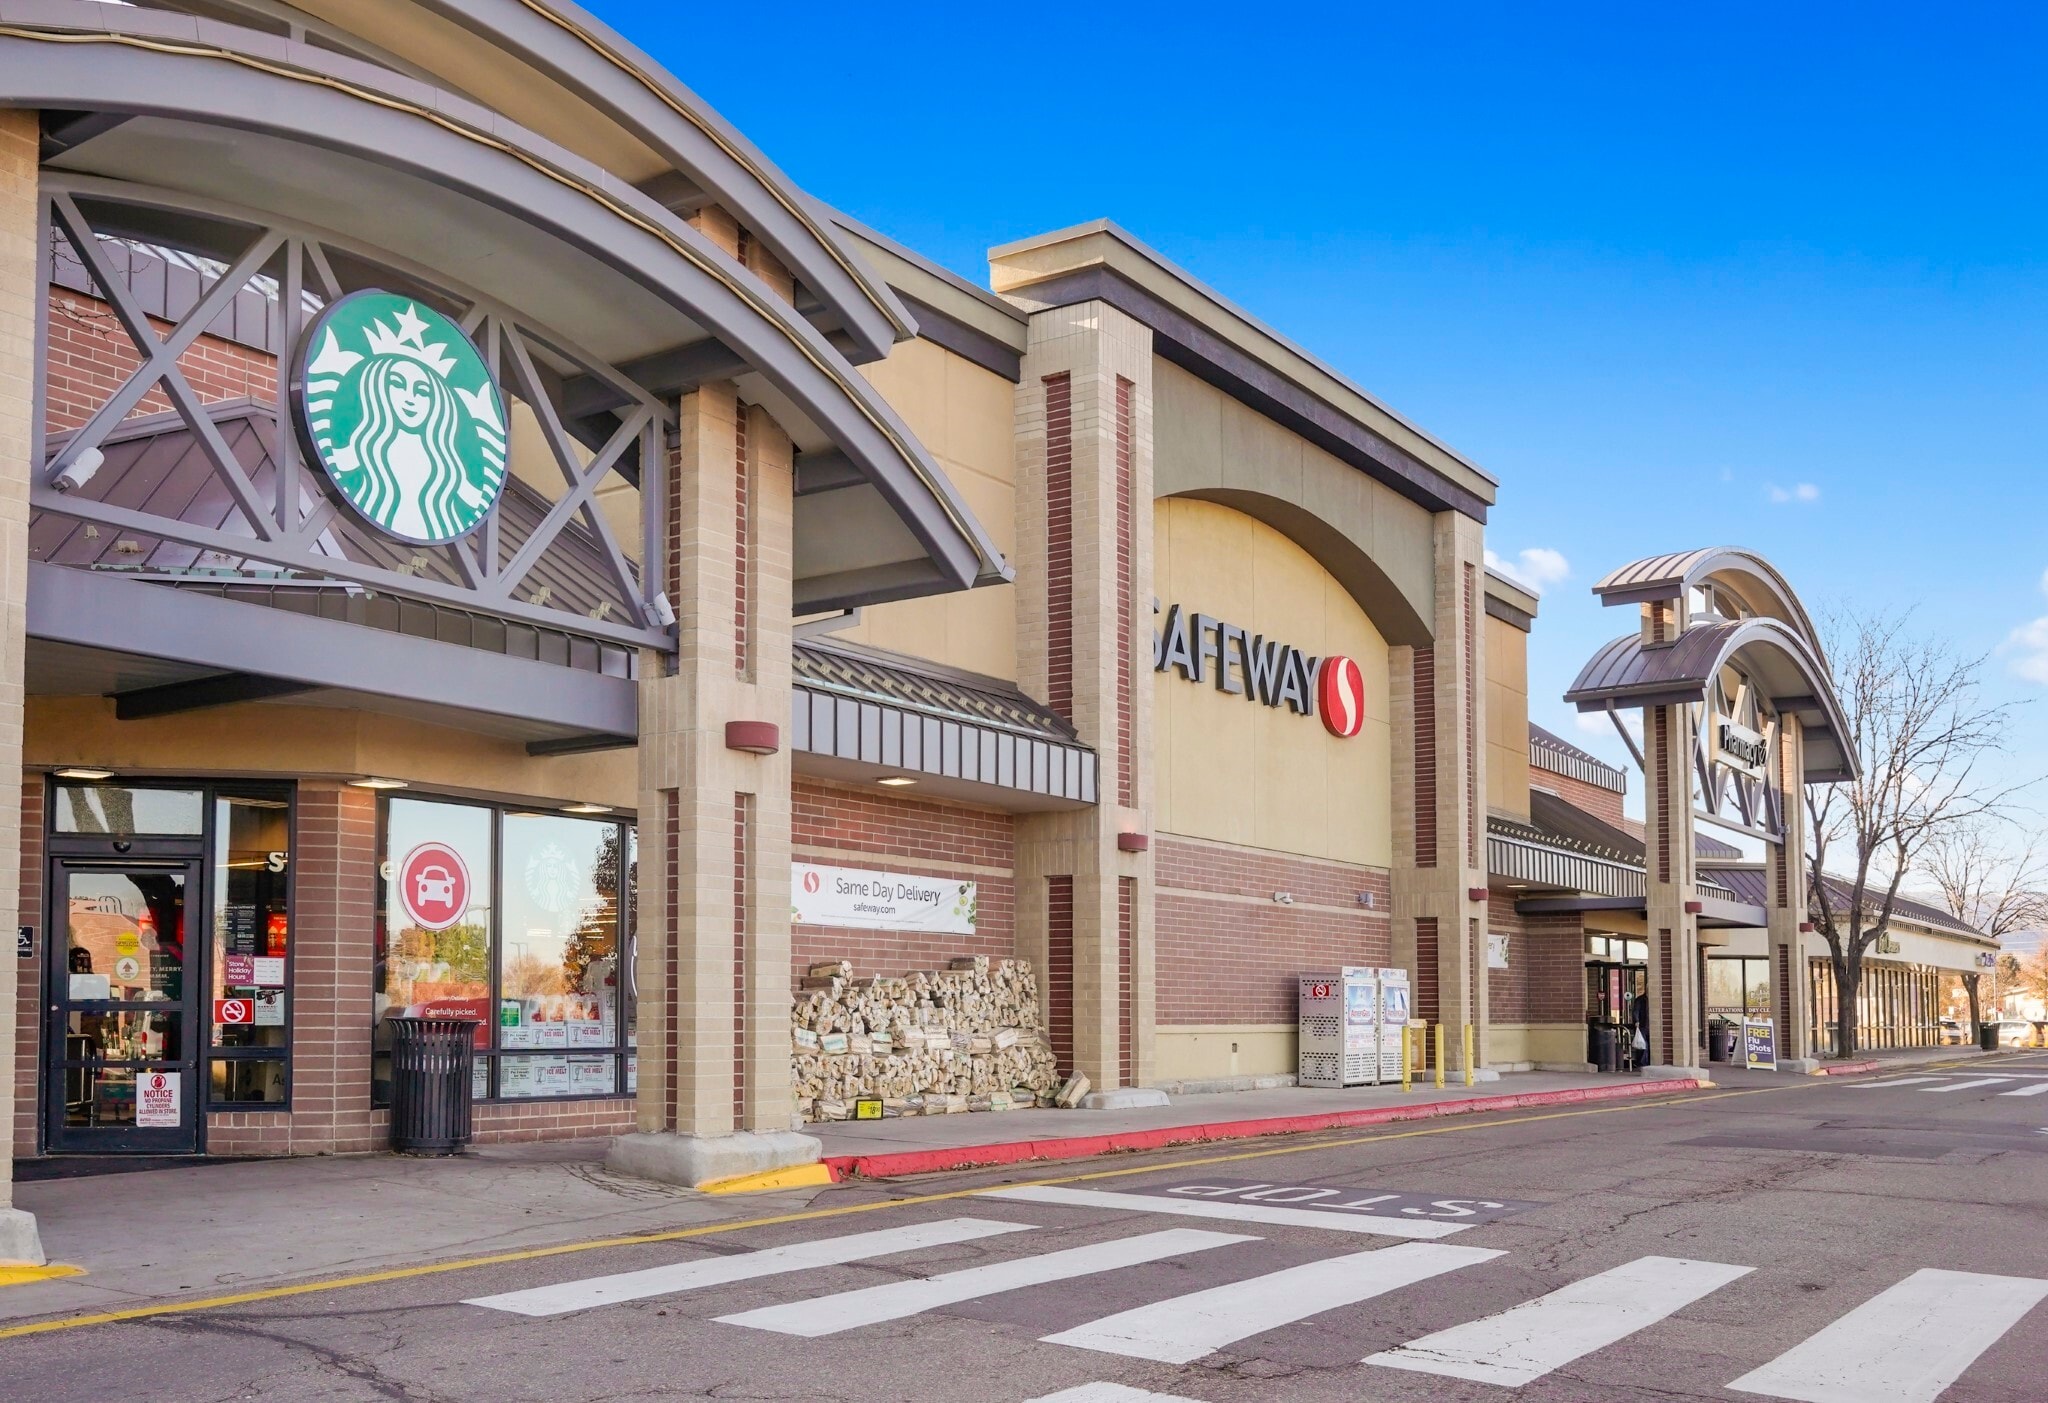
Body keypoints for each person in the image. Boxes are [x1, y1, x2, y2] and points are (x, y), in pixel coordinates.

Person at [343, 353, 482, 541]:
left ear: (437, 402)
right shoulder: (363, 444)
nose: (410, 398)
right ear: (379, 389)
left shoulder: (446, 460)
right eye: (398, 384)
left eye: (422, 392)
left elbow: (475, 499)